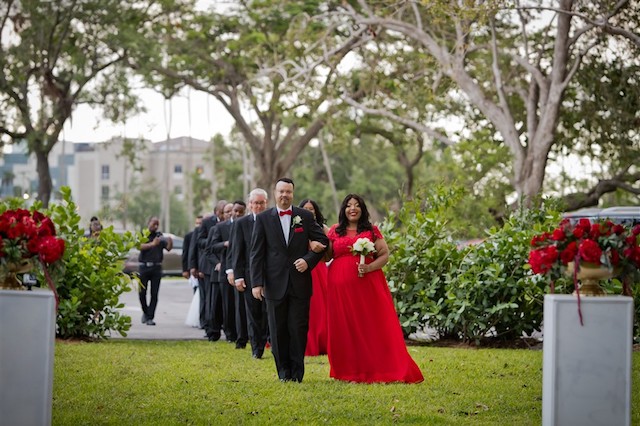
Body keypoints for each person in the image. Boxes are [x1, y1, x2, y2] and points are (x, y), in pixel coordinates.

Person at [325, 194, 423, 383]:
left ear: (362, 209)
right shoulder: (335, 231)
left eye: (356, 205)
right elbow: (327, 256)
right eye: (348, 205)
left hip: (367, 287)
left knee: (369, 325)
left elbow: (384, 254)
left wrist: (369, 267)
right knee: (345, 327)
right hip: (339, 289)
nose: (352, 208)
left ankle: (378, 367)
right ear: (343, 209)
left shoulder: (371, 230)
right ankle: (348, 371)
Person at [250, 178, 328, 382]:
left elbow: (323, 241)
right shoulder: (264, 218)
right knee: (277, 331)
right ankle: (283, 373)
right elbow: (256, 253)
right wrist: (257, 283)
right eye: (281, 191)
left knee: (298, 329)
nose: (285, 195)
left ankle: (297, 373)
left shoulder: (304, 216)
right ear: (275, 193)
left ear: (293, 194)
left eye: (288, 192)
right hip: (274, 284)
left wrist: (308, 260)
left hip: (299, 283)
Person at [231, 188, 270, 359]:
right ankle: (257, 348)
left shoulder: (272, 221)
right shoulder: (241, 224)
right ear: (250, 205)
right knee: (253, 313)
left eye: (261, 203)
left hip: (271, 275)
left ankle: (271, 343)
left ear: (266, 204)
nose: (258, 206)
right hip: (248, 275)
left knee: (269, 312)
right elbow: (236, 251)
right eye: (255, 203)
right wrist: (238, 276)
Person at [299, 199, 330, 356]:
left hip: (318, 268)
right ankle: (306, 341)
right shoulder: (295, 225)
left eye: (311, 209)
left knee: (320, 305)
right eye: (305, 208)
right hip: (301, 267)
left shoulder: (322, 228)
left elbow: (330, 247)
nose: (309, 211)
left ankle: (323, 340)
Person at [138, 216, 173, 326]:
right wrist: (152, 244)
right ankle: (145, 312)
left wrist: (170, 242)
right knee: (142, 292)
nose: (155, 226)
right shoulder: (143, 234)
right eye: (154, 224)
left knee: (154, 293)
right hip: (144, 267)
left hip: (156, 268)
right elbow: (138, 246)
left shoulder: (159, 236)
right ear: (148, 223)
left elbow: (168, 248)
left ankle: (150, 317)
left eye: (157, 224)